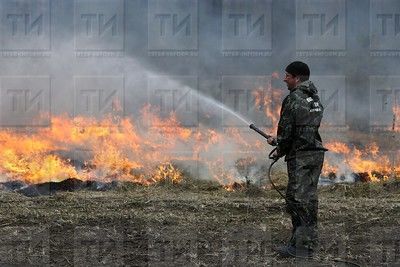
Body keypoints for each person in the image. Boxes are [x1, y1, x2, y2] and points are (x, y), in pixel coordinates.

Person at [267, 61, 327, 258]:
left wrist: (279, 148)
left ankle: (301, 248)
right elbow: (305, 129)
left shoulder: (293, 99)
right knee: (309, 199)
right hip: (315, 153)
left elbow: (287, 131)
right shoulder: (314, 98)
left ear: (297, 78)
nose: (284, 79)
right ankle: (307, 242)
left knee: (296, 200)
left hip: (300, 156)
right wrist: (283, 142)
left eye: (287, 76)